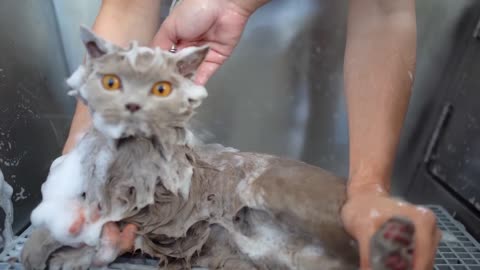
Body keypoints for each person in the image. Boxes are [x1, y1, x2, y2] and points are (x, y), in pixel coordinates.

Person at [62, 0, 441, 269]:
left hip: (332, 111)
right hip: (170, 128)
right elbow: (129, 6)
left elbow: (383, 9)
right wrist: (81, 174)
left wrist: (368, 189)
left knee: (338, 231)